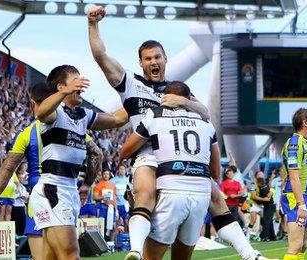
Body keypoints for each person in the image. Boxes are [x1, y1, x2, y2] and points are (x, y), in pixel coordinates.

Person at [88, 7, 265, 260]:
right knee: (146, 193)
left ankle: (250, 254)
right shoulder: (131, 84)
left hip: (181, 159)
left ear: (165, 58)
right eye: (148, 58)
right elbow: (101, 56)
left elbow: (205, 113)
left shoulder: (178, 91)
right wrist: (93, 24)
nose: (153, 62)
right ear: (140, 62)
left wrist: (184, 103)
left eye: (157, 57)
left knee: (214, 194)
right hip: (148, 156)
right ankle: (136, 250)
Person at [0, 82, 104, 260]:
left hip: (39, 199)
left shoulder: (26, 133)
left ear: (33, 103)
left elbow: (8, 167)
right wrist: (87, 184)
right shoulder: (71, 126)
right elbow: (97, 153)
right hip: (64, 194)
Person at [28, 65, 127, 259]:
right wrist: (66, 91)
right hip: (52, 191)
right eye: (75, 81)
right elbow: (41, 112)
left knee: (51, 257)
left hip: (70, 190)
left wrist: (141, 101)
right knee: (72, 254)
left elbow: (116, 119)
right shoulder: (54, 114)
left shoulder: (82, 114)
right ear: (60, 87)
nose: (81, 84)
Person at [119, 82, 220, 260]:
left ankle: (135, 249)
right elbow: (216, 172)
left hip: (171, 190)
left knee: (152, 256)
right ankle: (250, 254)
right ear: (189, 99)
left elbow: (125, 151)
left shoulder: (155, 115)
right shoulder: (206, 122)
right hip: (201, 195)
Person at [281, 108, 307, 260]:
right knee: (295, 245)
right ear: (305, 123)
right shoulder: (295, 143)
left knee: (303, 245)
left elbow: (306, 175)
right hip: (295, 199)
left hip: (306, 197)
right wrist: (301, 205)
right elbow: (294, 177)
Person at [94, 170, 118, 241]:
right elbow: (95, 197)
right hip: (102, 206)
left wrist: (116, 210)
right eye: (104, 174)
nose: (106, 175)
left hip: (111, 207)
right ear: (102, 175)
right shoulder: (98, 185)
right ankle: (103, 243)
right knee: (102, 226)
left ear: (109, 175)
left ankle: (111, 244)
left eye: (107, 174)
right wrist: (103, 197)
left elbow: (114, 197)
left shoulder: (112, 185)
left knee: (113, 226)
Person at [110, 165, 131, 232]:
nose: (122, 170)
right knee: (116, 223)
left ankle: (126, 235)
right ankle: (114, 239)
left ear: (125, 170)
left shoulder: (127, 180)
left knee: (126, 221)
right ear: (118, 170)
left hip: (125, 204)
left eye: (123, 169)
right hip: (115, 204)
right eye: (120, 169)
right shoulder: (113, 180)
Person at [13, 167, 29, 236]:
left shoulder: (23, 187)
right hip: (15, 207)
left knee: (23, 224)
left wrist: (27, 198)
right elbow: (13, 196)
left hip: (22, 207)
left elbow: (25, 199)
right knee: (16, 224)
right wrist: (20, 196)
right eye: (21, 177)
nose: (23, 179)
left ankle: (21, 237)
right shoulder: (14, 186)